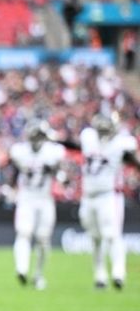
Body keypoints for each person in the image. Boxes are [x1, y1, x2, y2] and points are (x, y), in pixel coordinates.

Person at [59, 112, 139, 289]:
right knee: (95, 238)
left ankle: (119, 273)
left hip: (109, 195)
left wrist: (131, 159)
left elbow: (133, 161)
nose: (102, 133)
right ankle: (100, 274)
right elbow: (77, 148)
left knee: (112, 234)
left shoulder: (122, 143)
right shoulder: (88, 138)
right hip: (88, 196)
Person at [5, 120, 66, 290]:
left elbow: (62, 176)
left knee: (43, 239)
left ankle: (39, 274)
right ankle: (22, 269)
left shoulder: (52, 152)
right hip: (26, 198)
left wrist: (53, 170)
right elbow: (15, 171)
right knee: (23, 232)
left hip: (45, 199)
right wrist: (10, 188)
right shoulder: (20, 152)